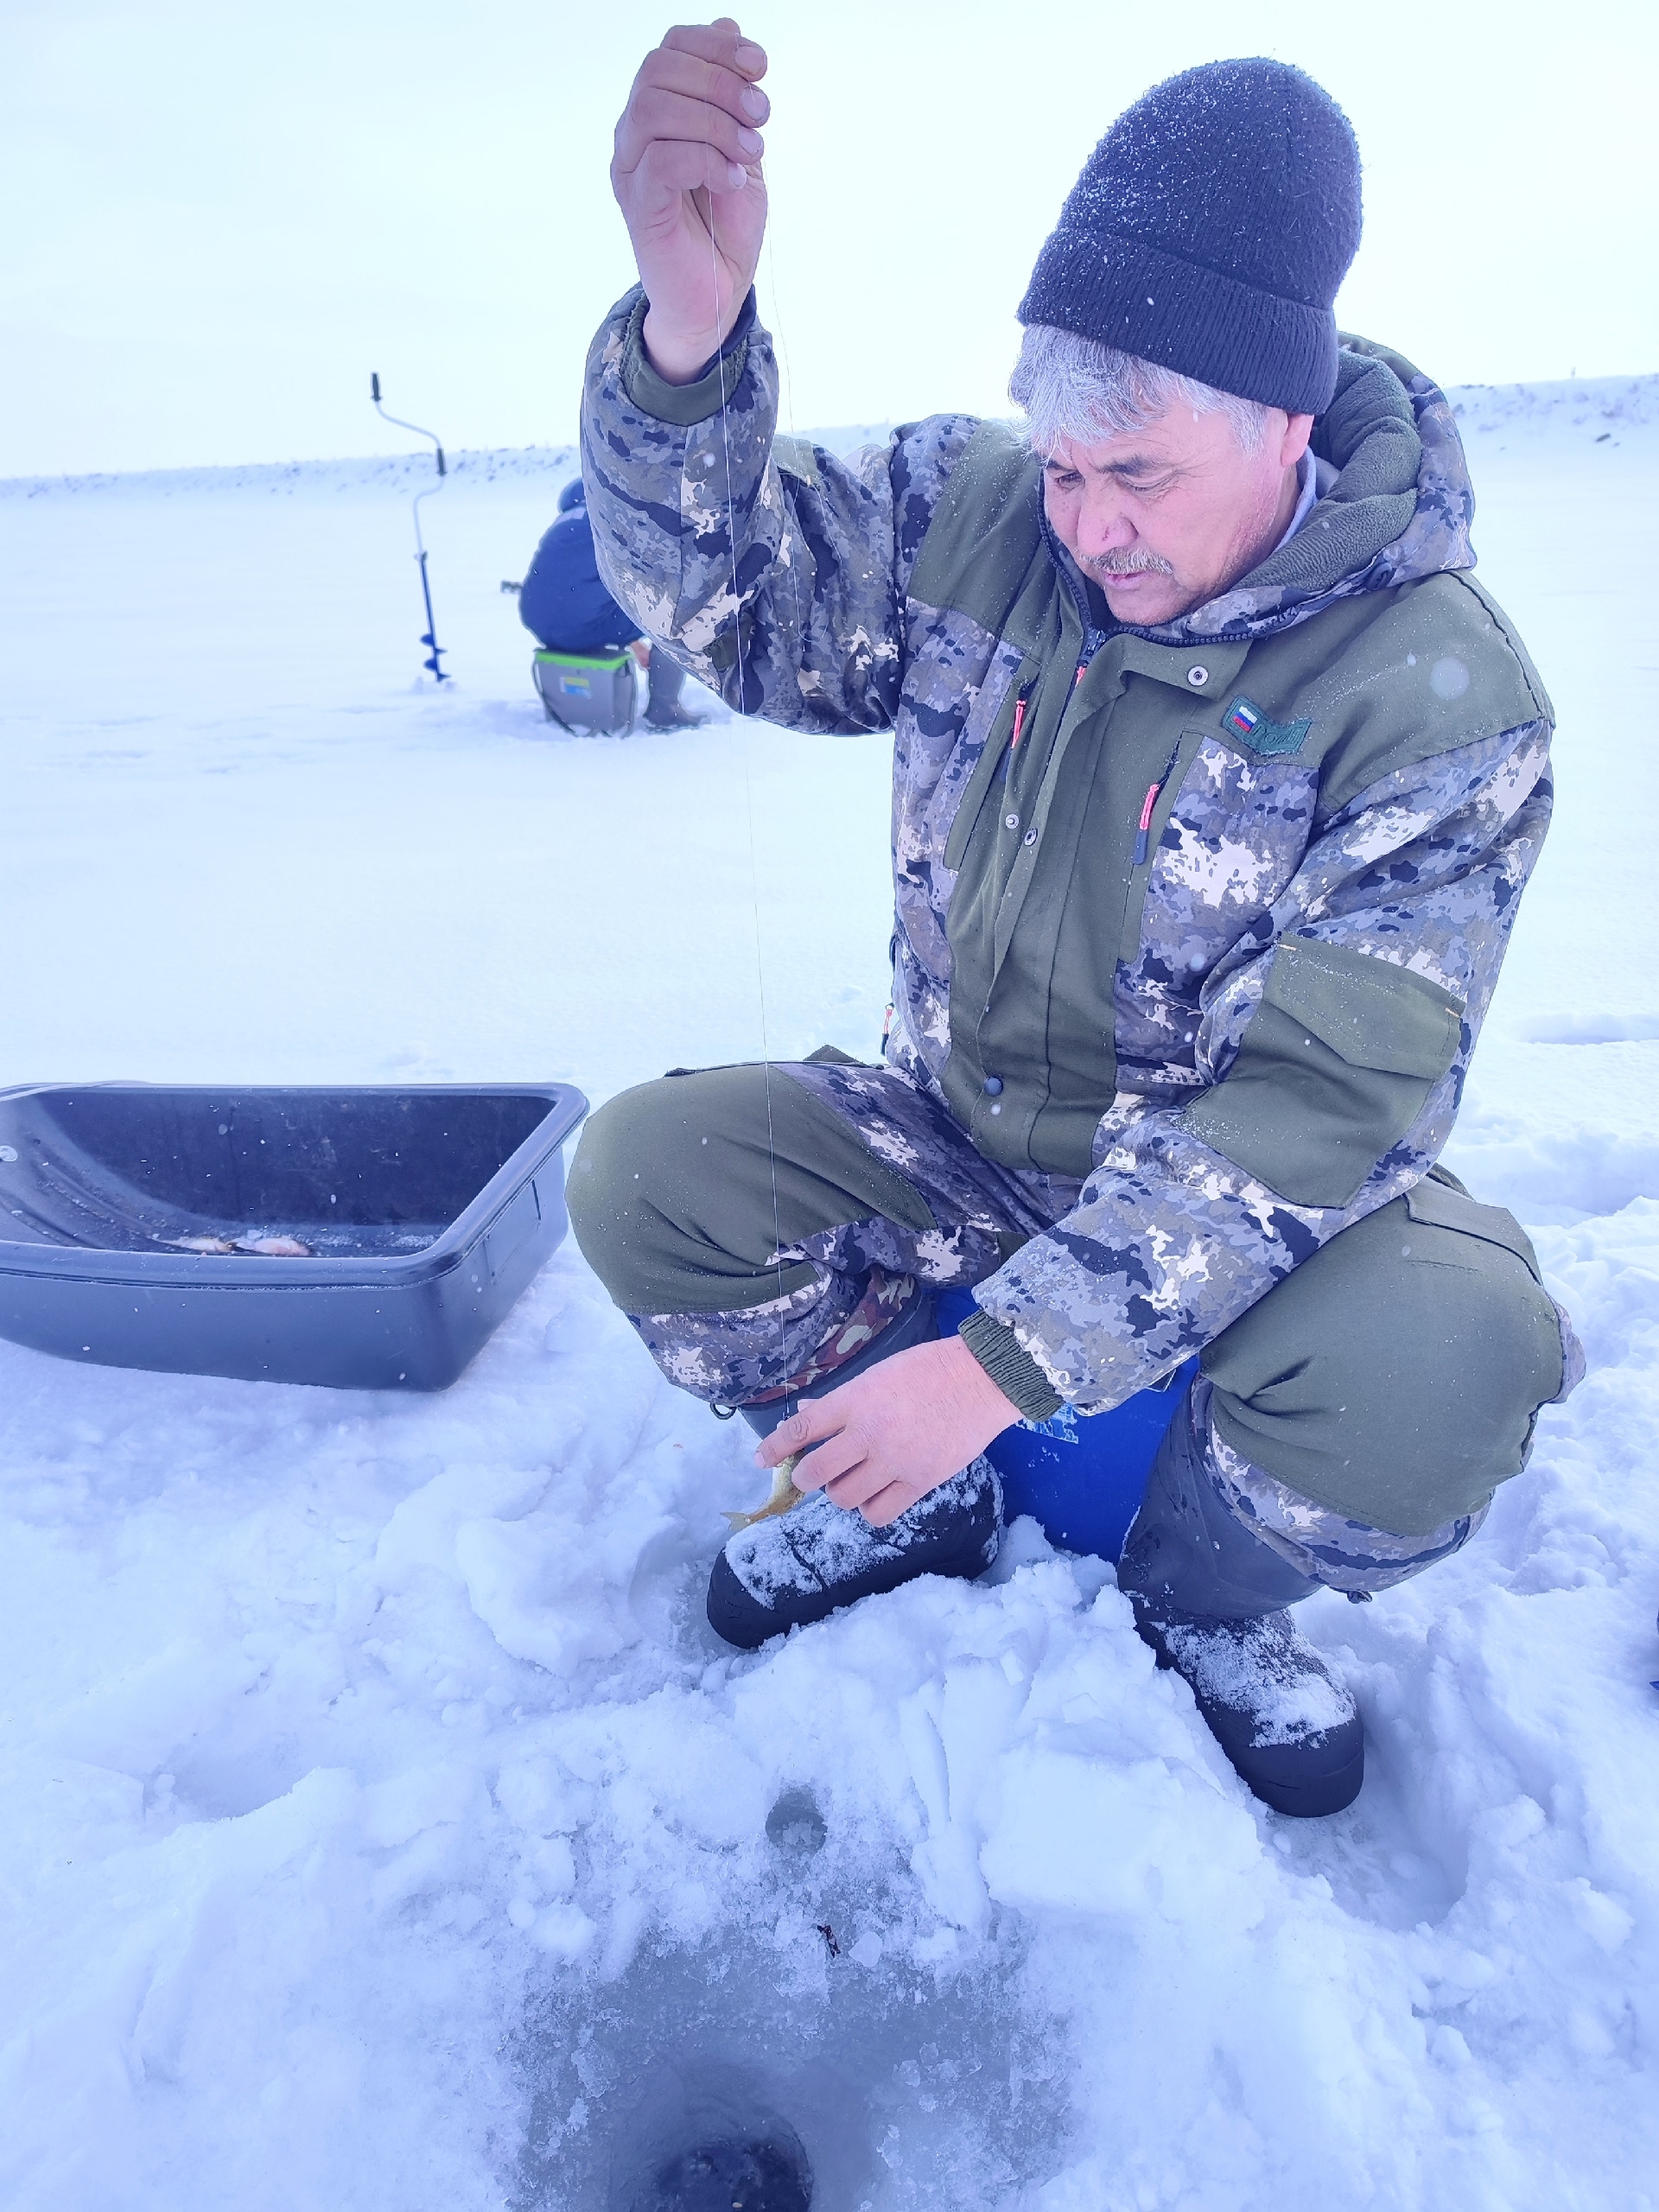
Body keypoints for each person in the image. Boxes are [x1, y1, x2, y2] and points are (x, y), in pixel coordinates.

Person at [565, 22, 1583, 1816]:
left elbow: (1313, 1121)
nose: (1088, 526)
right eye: (1064, 466)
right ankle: (919, 1494)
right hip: (956, 1143)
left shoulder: (1435, 694)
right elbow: (708, 599)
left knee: (1448, 1357)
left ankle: (1207, 1597)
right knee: (642, 1169)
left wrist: (1001, 1363)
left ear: (1284, 421)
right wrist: (686, 336)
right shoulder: (976, 519)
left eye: (1142, 478)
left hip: (1247, 1219)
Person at [518, 477, 705, 729]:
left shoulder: (565, 523)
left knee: (593, 597)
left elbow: (579, 589)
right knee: (676, 618)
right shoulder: (618, 519)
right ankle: (665, 710)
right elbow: (649, 585)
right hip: (578, 629)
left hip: (538, 622)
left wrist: (632, 642)